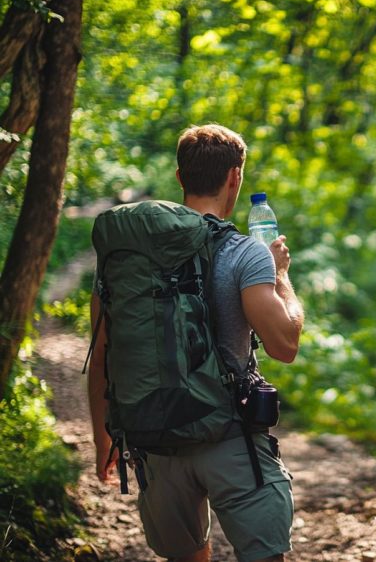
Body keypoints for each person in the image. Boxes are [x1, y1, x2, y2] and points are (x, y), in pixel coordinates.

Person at [87, 123, 304, 562]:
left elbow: (102, 357)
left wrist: (102, 440)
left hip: (154, 438)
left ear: (181, 177)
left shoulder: (127, 261)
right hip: (231, 438)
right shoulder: (247, 252)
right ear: (234, 178)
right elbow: (285, 345)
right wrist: (281, 276)